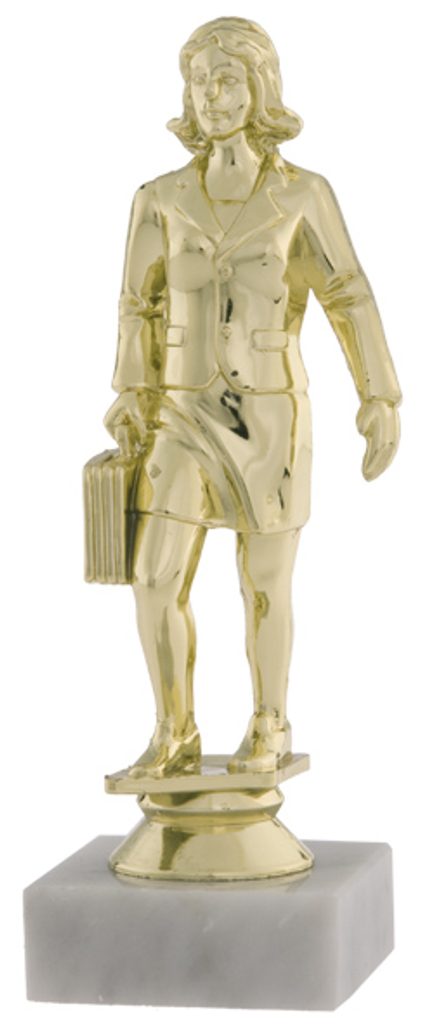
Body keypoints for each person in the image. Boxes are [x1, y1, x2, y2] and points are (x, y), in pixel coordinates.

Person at [103, 17, 401, 779]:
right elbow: (137, 303)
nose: (210, 96)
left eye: (227, 79)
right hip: (178, 414)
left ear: (259, 88)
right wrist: (130, 388)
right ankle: (173, 731)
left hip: (270, 418)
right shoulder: (158, 197)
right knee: (154, 577)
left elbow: (346, 292)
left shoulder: (301, 194)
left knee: (263, 583)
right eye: (198, 82)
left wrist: (377, 393)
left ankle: (269, 722)